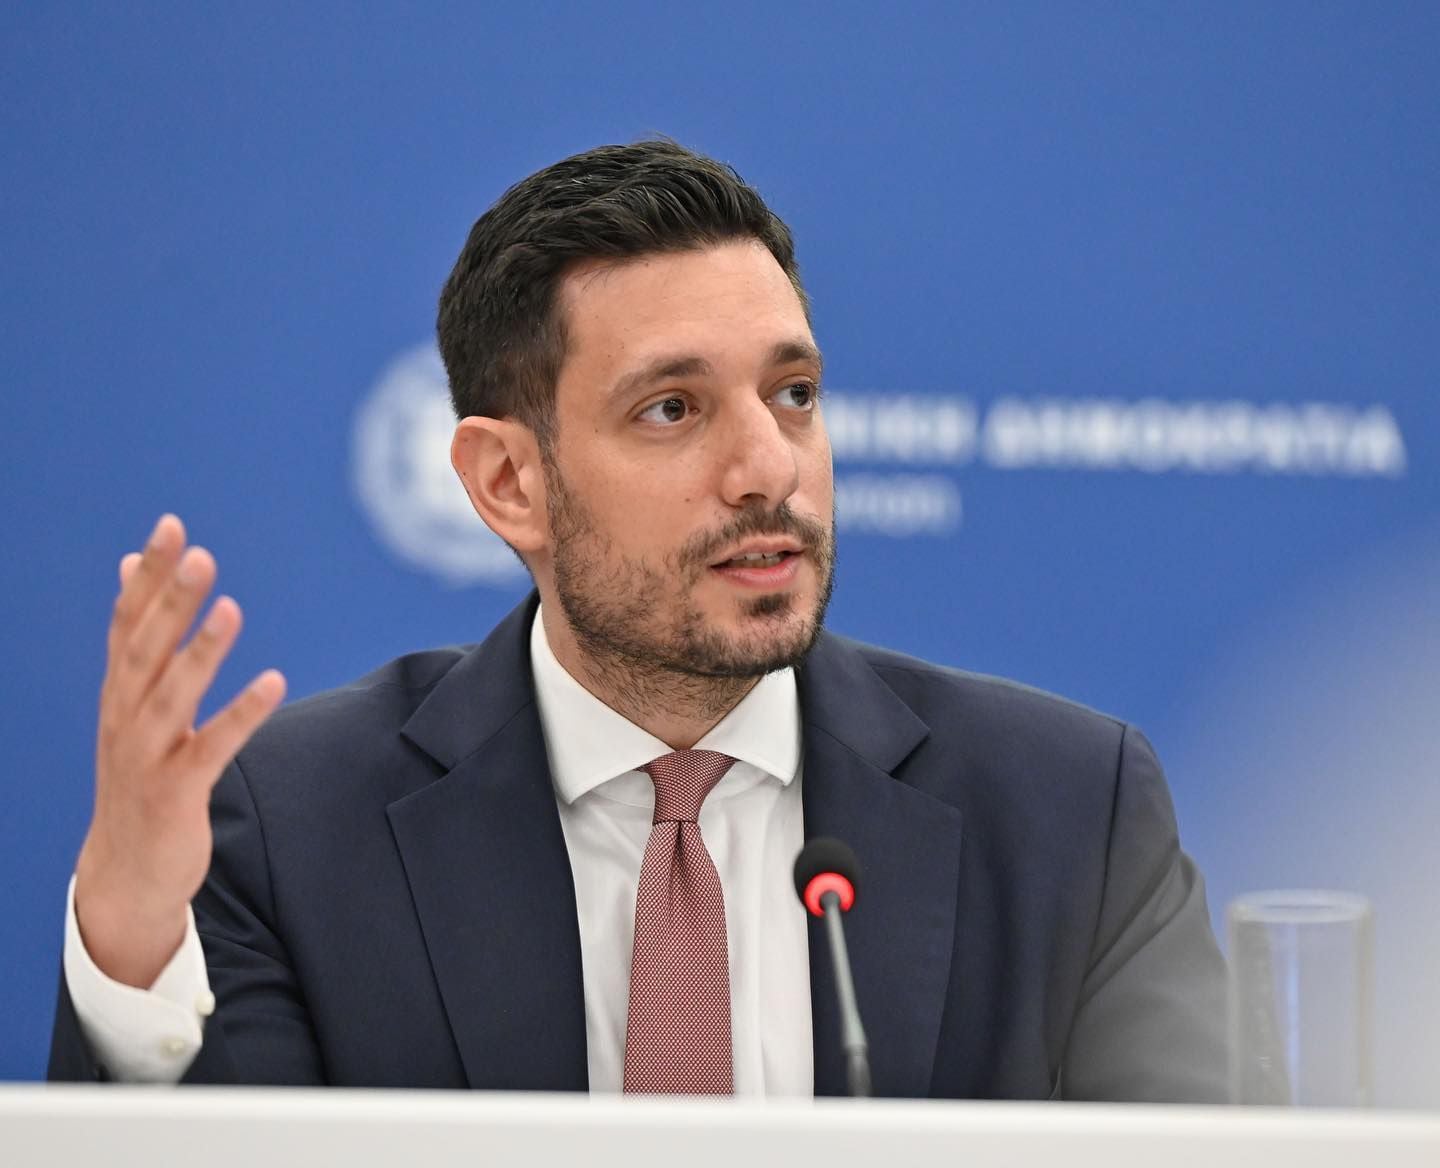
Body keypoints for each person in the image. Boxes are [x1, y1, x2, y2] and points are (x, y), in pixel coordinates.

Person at [49, 140, 1226, 1099]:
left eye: (794, 394)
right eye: (673, 408)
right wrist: (133, 945)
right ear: (509, 482)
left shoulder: (1072, 817)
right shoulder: (294, 828)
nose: (769, 468)